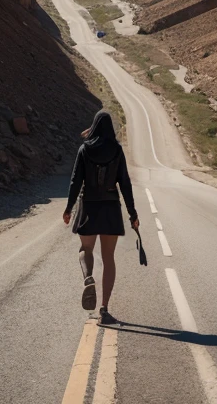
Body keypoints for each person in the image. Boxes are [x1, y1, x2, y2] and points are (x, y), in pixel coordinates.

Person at [63, 109, 139, 325]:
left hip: (88, 206)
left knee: (85, 250)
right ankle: (104, 310)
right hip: (110, 207)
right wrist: (133, 213)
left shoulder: (84, 149)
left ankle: (88, 277)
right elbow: (124, 183)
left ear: (94, 126)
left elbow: (75, 180)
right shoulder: (116, 150)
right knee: (108, 259)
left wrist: (68, 208)